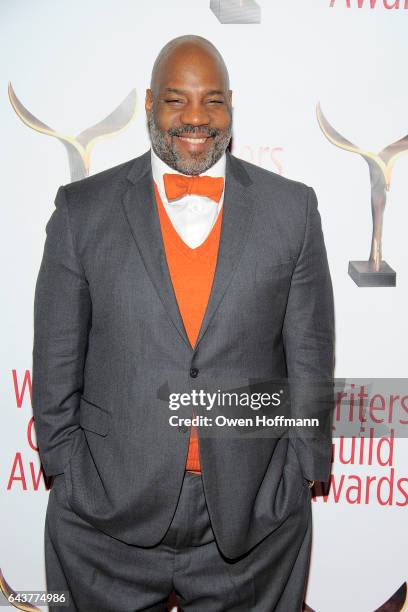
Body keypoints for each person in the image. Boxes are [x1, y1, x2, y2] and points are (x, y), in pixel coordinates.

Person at [32, 34, 335, 612]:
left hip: (253, 519)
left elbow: (311, 353)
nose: (196, 117)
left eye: (212, 100)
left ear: (230, 106)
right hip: (104, 517)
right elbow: (55, 360)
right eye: (176, 100)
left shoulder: (291, 209)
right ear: (149, 104)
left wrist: (301, 469)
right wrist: (64, 469)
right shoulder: (81, 210)